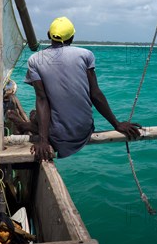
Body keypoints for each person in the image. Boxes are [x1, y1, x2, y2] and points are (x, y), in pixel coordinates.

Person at [9, 17, 141, 160]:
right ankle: (26, 125)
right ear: (72, 37)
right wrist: (117, 124)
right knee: (41, 114)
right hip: (83, 130)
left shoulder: (34, 60)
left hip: (57, 135)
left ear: (49, 36)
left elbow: (42, 98)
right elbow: (95, 94)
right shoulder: (86, 55)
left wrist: (43, 141)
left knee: (35, 114)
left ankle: (25, 126)